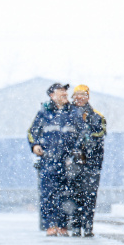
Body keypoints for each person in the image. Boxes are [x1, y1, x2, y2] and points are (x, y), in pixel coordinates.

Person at [28, 83, 88, 236]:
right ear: (52, 95)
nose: (64, 94)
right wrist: (35, 145)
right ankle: (50, 225)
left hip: (68, 161)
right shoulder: (44, 113)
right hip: (48, 160)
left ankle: (62, 225)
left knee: (66, 194)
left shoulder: (74, 113)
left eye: (65, 92)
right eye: (61, 92)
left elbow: (83, 134)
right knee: (48, 193)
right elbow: (32, 132)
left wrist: (76, 151)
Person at [70, 84, 106, 237]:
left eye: (83, 94)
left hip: (92, 163)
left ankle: (88, 226)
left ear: (88, 97)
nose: (79, 97)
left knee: (90, 195)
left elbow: (100, 135)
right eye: (77, 94)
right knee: (73, 194)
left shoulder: (97, 116)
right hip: (73, 162)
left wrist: (86, 140)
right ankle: (75, 226)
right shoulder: (67, 115)